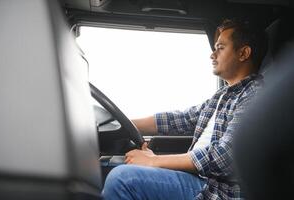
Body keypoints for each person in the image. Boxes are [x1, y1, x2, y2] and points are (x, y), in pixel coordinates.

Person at [102, 19, 268, 200]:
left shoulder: (255, 95)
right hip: (198, 179)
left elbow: (226, 157)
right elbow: (179, 120)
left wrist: (154, 161)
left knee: (122, 179)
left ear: (243, 53)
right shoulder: (222, 95)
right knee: (115, 168)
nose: (212, 55)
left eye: (220, 48)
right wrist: (120, 123)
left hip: (216, 191)